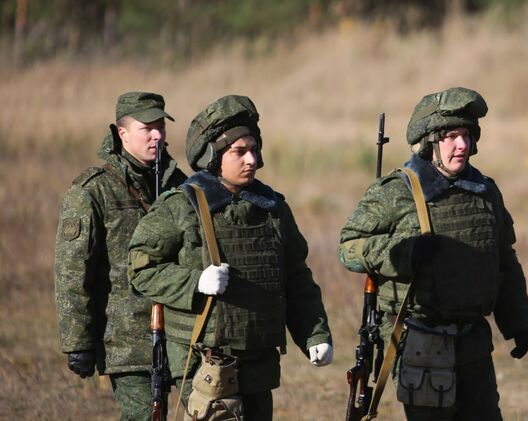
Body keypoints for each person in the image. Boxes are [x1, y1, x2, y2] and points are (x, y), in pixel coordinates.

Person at [128, 94, 333, 420]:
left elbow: (295, 276)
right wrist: (196, 282)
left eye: (254, 149)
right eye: (239, 151)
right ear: (212, 156)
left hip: (259, 362)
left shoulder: (272, 208)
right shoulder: (181, 206)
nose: (251, 159)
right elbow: (141, 268)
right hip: (205, 364)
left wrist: (314, 334)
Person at [339, 87, 528, 420]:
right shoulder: (397, 192)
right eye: (451, 136)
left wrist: (517, 322)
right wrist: (402, 253)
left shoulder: (485, 192)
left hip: (474, 343)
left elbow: (504, 261)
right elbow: (348, 248)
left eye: (467, 136)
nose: (462, 145)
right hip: (420, 344)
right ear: (430, 142)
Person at [54, 92, 187, 420]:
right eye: (147, 128)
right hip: (127, 343)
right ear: (122, 133)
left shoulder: (180, 185)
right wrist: (77, 341)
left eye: (161, 127)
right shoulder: (93, 191)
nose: (157, 136)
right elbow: (72, 271)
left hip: (184, 335)